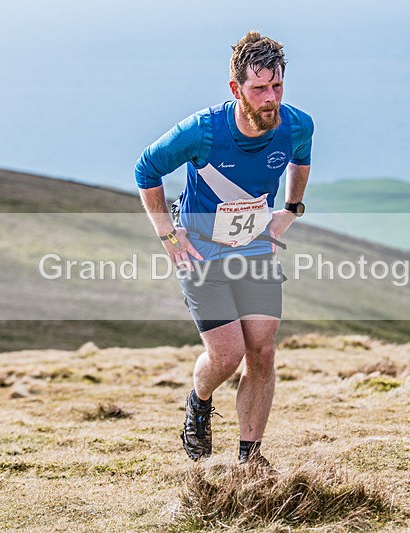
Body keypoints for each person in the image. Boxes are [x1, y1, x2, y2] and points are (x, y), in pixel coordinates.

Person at [134, 31, 313, 466]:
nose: (270, 98)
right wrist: (167, 234)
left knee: (263, 350)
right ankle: (199, 401)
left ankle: (250, 459)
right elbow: (146, 169)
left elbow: (301, 160)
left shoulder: (296, 124)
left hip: (254, 248)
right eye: (259, 88)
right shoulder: (202, 131)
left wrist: (290, 210)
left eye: (277, 86)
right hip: (201, 252)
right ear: (236, 89)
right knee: (227, 354)